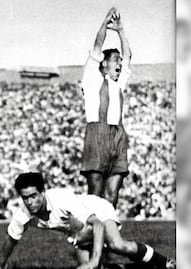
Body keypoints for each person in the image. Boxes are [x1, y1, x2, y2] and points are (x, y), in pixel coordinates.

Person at [0, 172, 175, 269]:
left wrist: (96, 258)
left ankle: (165, 264)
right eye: (25, 198)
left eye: (33, 196)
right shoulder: (22, 214)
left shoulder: (62, 199)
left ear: (43, 192)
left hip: (96, 211)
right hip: (78, 230)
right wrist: (0, 266)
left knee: (117, 245)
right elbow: (11, 240)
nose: (30, 202)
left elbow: (97, 224)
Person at [80, 8, 132, 208]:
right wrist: (104, 23)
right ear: (103, 64)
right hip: (97, 132)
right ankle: (91, 237)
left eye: (120, 61)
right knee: (95, 192)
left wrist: (120, 31)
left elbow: (129, 55)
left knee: (113, 195)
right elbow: (97, 45)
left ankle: (110, 236)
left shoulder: (119, 83)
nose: (120, 63)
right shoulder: (92, 77)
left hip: (118, 135)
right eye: (115, 60)